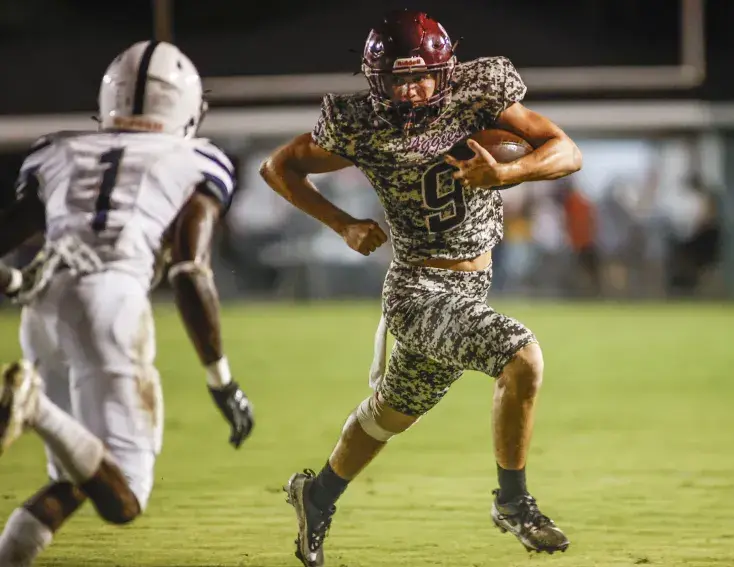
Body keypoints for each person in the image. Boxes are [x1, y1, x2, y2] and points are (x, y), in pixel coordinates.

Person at [260, 9, 582, 566]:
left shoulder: (479, 95)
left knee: (390, 415)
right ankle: (513, 502)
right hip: (417, 289)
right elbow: (278, 167)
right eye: (397, 80)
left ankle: (316, 496)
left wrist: (505, 174)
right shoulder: (361, 123)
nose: (410, 91)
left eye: (421, 77)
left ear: (445, 69)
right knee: (522, 356)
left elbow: (567, 152)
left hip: (471, 289)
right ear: (375, 80)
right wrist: (342, 223)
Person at [0, 40, 254, 567]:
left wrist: (12, 278)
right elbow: (189, 271)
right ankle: (35, 407)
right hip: (110, 301)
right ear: (187, 107)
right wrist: (221, 380)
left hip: (43, 303)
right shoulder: (197, 158)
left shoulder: (58, 149)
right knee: (125, 496)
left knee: (78, 474)